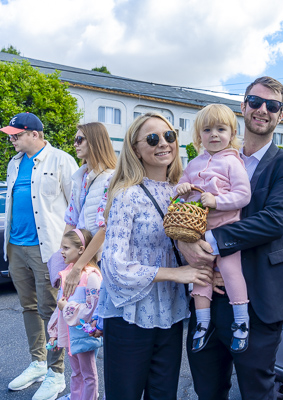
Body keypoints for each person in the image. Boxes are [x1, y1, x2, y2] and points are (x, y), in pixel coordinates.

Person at [179, 77, 283, 400]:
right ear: (243, 107)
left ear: (280, 116)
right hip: (208, 295)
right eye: (255, 102)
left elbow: (274, 221)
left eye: (273, 105)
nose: (262, 110)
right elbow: (185, 212)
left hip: (259, 300)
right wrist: (188, 248)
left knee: (256, 392)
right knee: (207, 391)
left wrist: (210, 242)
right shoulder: (212, 159)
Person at [97, 112, 214, 399]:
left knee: (164, 395)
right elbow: (113, 266)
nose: (163, 143)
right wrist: (177, 274)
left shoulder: (182, 193)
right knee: (124, 394)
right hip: (130, 313)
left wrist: (208, 272)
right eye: (152, 138)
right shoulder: (127, 194)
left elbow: (193, 246)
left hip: (171, 312)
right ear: (135, 149)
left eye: (168, 135)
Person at [1, 112, 78, 400]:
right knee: (28, 307)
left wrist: (76, 254)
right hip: (16, 246)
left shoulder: (60, 160)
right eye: (10, 134)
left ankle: (56, 374)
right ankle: (38, 362)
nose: (12, 139)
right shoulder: (14, 163)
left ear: (34, 134)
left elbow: (75, 207)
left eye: (16, 134)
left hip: (48, 249)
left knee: (51, 309)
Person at [176, 104, 251, 353]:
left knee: (231, 272)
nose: (214, 135)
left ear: (232, 133)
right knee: (201, 275)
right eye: (207, 130)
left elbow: (243, 195)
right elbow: (183, 185)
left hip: (227, 231)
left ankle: (241, 321)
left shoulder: (233, 163)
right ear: (199, 136)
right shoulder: (194, 163)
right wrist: (183, 189)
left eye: (221, 129)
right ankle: (202, 324)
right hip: (199, 232)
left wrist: (217, 201)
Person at [61, 122, 117, 298]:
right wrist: (63, 253)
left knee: (92, 317)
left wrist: (78, 267)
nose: (75, 144)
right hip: (80, 258)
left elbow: (104, 228)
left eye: (80, 139)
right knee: (74, 313)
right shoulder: (81, 176)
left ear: (95, 142)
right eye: (75, 140)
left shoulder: (111, 178)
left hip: (98, 260)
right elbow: (71, 220)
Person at [47, 228, 102, 400]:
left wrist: (67, 308)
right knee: (76, 372)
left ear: (81, 250)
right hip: (69, 335)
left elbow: (92, 310)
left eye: (66, 248)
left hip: (83, 336)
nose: (61, 252)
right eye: (61, 247)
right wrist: (54, 332)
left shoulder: (92, 276)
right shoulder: (67, 274)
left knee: (88, 374)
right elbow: (58, 306)